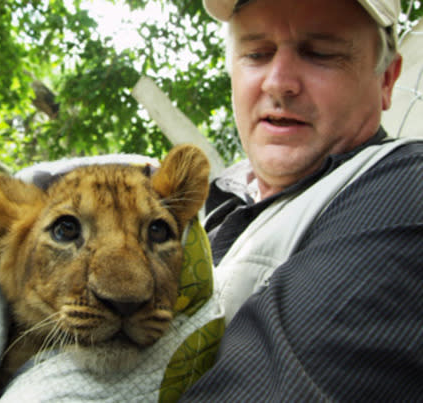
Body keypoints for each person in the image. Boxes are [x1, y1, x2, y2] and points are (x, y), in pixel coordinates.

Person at [180, 0, 423, 401]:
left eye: (321, 54)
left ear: (387, 80)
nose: (278, 82)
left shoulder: (404, 190)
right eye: (256, 54)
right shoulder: (215, 200)